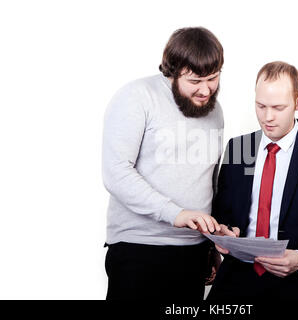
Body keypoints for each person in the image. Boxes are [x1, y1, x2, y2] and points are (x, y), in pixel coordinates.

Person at [207, 61, 298, 300]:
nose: (268, 117)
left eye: (278, 107)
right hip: (240, 280)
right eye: (261, 106)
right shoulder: (239, 147)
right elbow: (222, 211)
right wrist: (224, 230)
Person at [102, 27, 225, 300]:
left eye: (213, 78)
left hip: (193, 253)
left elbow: (209, 180)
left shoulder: (215, 111)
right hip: (139, 249)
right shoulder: (136, 98)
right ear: (172, 71)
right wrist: (175, 213)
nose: (206, 90)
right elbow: (116, 173)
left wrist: (210, 245)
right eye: (195, 80)